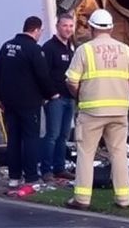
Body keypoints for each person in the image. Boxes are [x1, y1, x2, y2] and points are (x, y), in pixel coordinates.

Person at [64, 9, 129, 211]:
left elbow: (71, 80)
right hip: (119, 110)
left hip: (92, 111)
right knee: (119, 153)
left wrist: (80, 94)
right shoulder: (124, 49)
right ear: (111, 28)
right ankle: (123, 198)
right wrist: (122, 90)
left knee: (86, 154)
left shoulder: (84, 50)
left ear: (91, 28)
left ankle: (82, 198)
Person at [0, 16, 57, 189]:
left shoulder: (6, 46)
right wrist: (51, 94)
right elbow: (42, 75)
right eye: (40, 31)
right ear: (36, 30)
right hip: (29, 102)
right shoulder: (34, 49)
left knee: (13, 138)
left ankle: (14, 177)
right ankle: (31, 177)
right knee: (30, 139)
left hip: (9, 102)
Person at [39, 13, 76, 182]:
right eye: (65, 25)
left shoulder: (71, 47)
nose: (68, 29)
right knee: (52, 135)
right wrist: (51, 94)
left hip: (70, 98)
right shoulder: (49, 47)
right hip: (56, 99)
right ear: (57, 27)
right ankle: (46, 170)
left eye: (71, 26)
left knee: (64, 135)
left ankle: (59, 168)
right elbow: (43, 74)